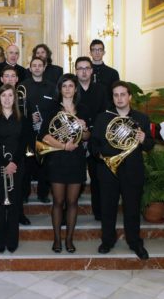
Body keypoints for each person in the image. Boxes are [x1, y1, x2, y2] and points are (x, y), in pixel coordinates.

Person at [91, 81, 155, 260]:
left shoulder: (141, 118)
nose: (119, 98)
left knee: (132, 209)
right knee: (107, 208)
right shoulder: (103, 118)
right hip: (108, 170)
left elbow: (149, 145)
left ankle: (135, 242)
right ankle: (107, 241)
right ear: (112, 98)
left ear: (129, 97)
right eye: (116, 95)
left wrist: (144, 140)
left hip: (132, 171)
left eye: (123, 94)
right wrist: (102, 157)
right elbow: (94, 144)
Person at [40, 74, 90, 253]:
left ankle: (69, 239)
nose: (68, 89)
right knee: (58, 201)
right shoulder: (51, 108)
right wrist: (63, 146)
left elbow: (86, 137)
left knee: (73, 201)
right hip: (57, 159)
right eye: (64, 86)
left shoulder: (83, 109)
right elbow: (44, 136)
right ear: (59, 89)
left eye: (71, 86)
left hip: (76, 159)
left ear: (76, 89)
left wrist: (84, 129)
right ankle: (57, 239)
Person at [0, 84, 28, 253]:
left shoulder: (22, 119)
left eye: (10, 95)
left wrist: (13, 163)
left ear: (14, 98)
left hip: (17, 165)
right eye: (3, 96)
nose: (7, 99)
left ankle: (12, 240)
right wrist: (5, 162)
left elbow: (23, 142)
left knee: (14, 202)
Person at [75, 57, 108, 220]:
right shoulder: (71, 89)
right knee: (75, 176)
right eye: (80, 68)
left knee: (96, 177)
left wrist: (92, 130)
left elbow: (104, 113)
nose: (84, 71)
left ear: (91, 70)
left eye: (87, 68)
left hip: (95, 138)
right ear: (76, 71)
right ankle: (70, 211)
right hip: (75, 139)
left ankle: (99, 212)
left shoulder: (101, 90)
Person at [20, 57, 56, 204]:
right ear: (29, 68)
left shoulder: (52, 87)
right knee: (27, 165)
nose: (36, 68)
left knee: (45, 165)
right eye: (34, 66)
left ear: (44, 67)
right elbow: (18, 109)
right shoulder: (22, 86)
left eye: (39, 65)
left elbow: (54, 109)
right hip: (28, 133)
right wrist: (29, 116)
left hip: (46, 133)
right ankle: (24, 194)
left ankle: (43, 194)